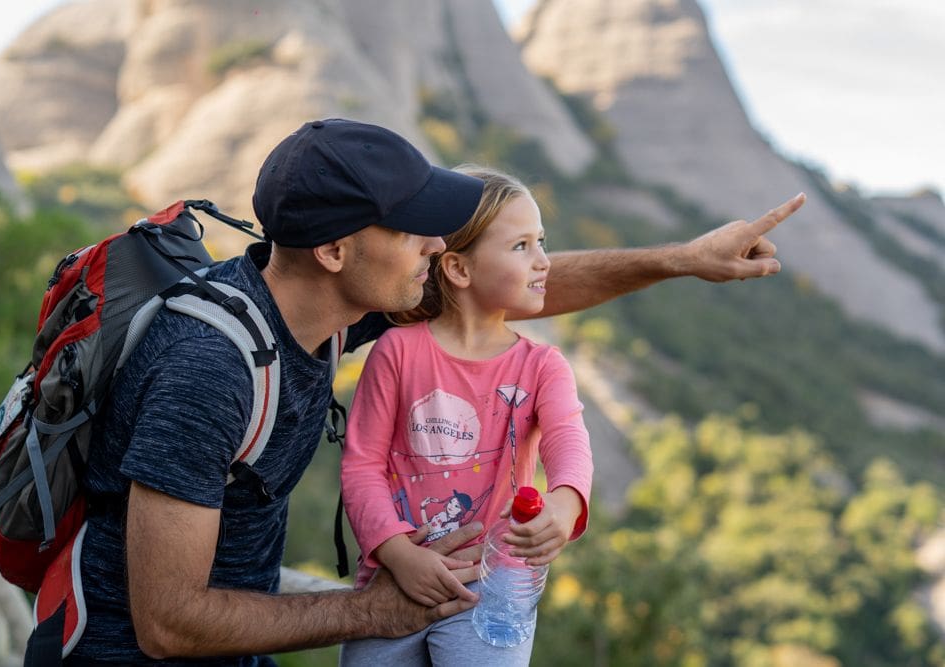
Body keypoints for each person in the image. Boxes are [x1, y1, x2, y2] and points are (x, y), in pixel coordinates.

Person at [66, 118, 804, 666]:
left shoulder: (328, 305)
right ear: (334, 250)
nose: (436, 245)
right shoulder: (208, 370)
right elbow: (167, 621)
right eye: (415, 228)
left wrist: (681, 259)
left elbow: (505, 290)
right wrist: (371, 610)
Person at [339, 165, 593, 666]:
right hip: (394, 580)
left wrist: (565, 504)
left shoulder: (542, 366)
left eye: (541, 242)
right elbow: (361, 464)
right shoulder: (397, 352)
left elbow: (567, 438)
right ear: (458, 268)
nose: (543, 261)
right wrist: (397, 553)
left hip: (492, 589)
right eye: (521, 246)